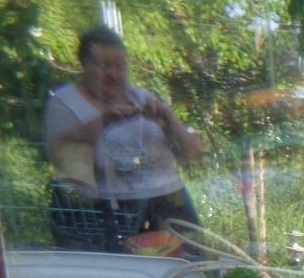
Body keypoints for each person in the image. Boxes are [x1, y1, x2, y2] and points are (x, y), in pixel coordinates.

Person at [43, 25, 203, 250]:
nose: (114, 74)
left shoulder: (142, 97)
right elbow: (57, 153)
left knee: (189, 272)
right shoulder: (64, 102)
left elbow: (193, 154)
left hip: (169, 204)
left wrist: (167, 117)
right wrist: (104, 121)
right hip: (106, 218)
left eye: (120, 66)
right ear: (84, 65)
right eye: (104, 66)